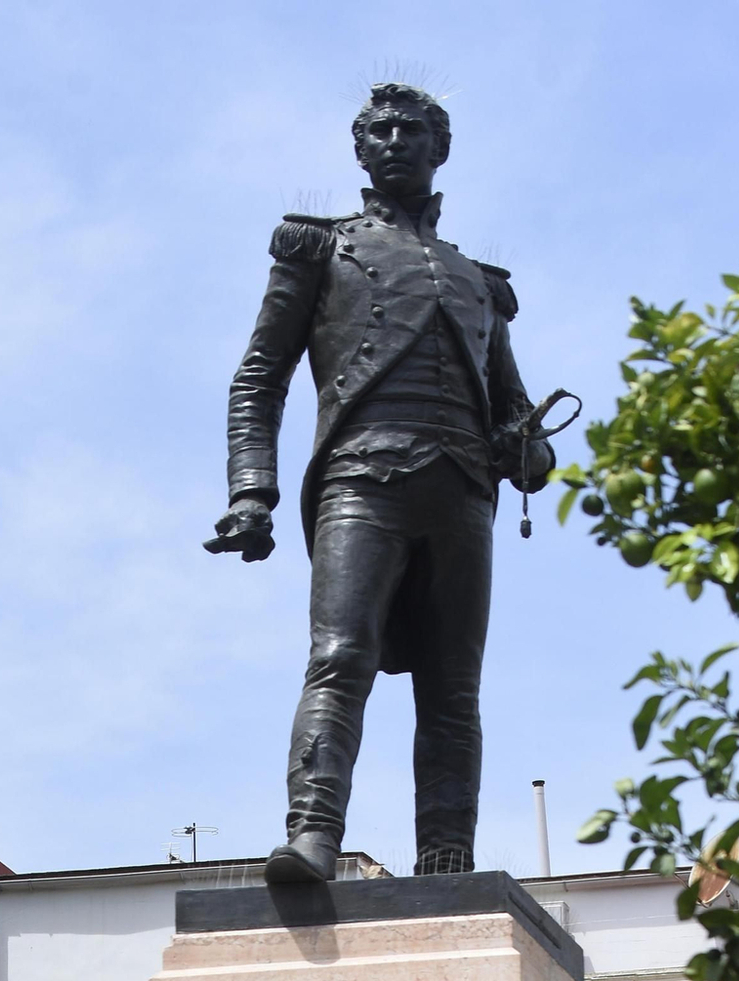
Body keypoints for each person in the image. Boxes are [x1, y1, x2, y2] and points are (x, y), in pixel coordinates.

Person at [206, 82, 552, 885]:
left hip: (463, 490)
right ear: (360, 149)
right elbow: (259, 376)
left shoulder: (479, 284)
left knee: (454, 688)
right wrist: (250, 491)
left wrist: (528, 450)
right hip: (362, 477)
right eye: (380, 131)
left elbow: (516, 412)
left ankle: (446, 858)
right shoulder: (318, 249)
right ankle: (314, 836)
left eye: (412, 130)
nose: (395, 141)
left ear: (441, 150)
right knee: (339, 657)